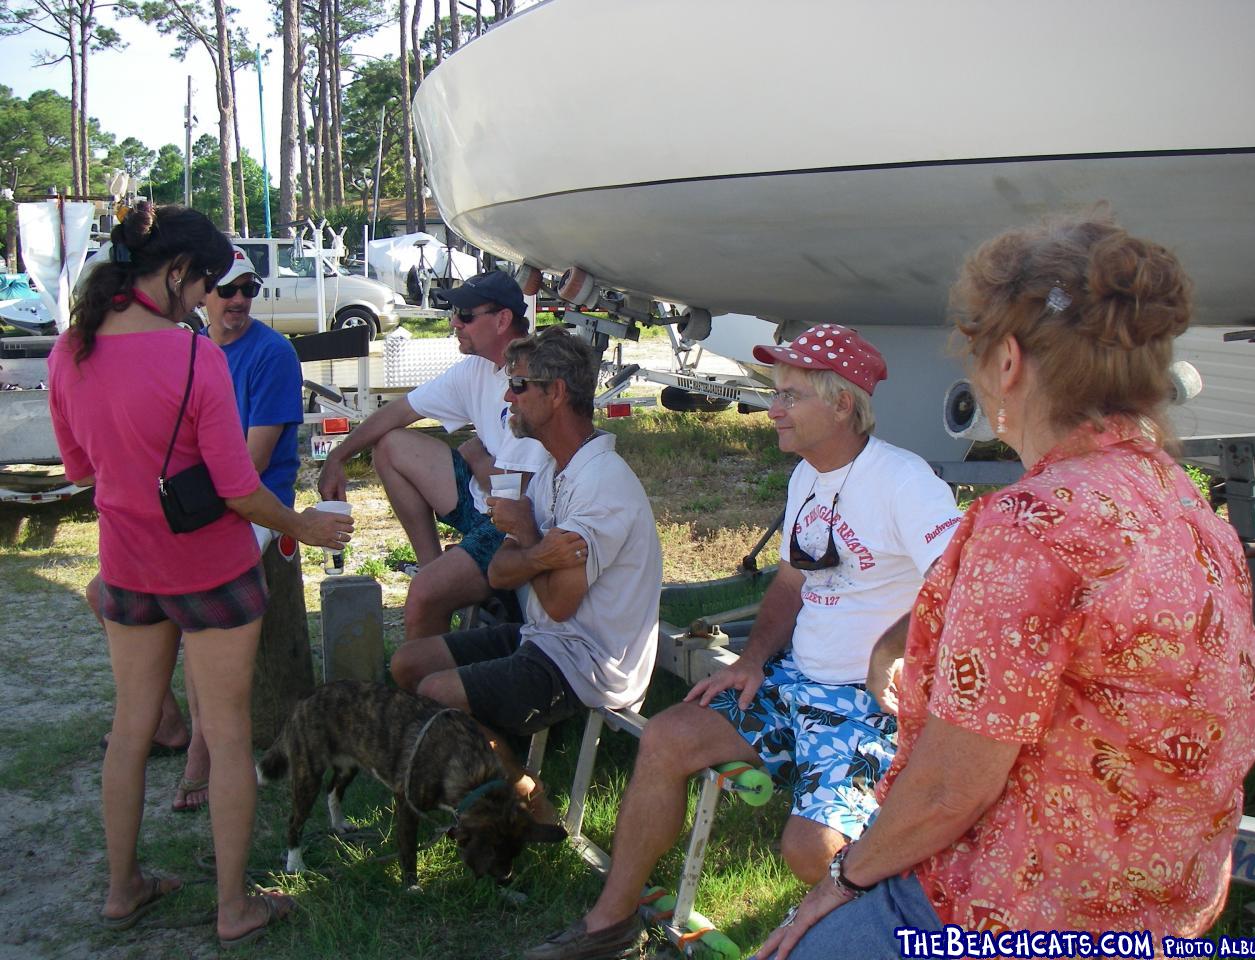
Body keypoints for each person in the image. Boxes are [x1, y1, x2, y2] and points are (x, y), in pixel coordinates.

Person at [753, 215, 1255, 960]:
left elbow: (948, 790)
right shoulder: (1188, 508)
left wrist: (845, 879)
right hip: (1167, 911)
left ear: (1008, 361)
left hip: (1019, 910)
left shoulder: (1031, 526)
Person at [525, 325, 962, 960]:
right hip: (794, 686)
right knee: (670, 734)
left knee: (810, 854)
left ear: (842, 404)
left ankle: (889, 930)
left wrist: (889, 649)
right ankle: (610, 923)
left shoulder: (903, 479)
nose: (773, 408)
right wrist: (752, 660)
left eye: (789, 396)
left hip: (866, 708)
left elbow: (960, 582)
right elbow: (790, 579)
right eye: (774, 393)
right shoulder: (807, 476)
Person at [48, 202, 352, 946]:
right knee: (226, 731)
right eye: (205, 283)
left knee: (130, 730)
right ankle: (233, 907)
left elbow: (81, 470)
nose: (208, 299)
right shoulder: (194, 358)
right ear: (176, 273)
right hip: (211, 571)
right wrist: (303, 527)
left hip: (126, 565)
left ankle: (124, 890)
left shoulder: (68, 352)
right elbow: (237, 487)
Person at [389, 325, 662, 821]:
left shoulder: (601, 485)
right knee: (409, 663)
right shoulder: (557, 468)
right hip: (549, 637)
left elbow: (559, 601)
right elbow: (499, 570)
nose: (506, 397)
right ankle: (483, 781)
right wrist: (536, 551)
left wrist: (530, 544)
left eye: (517, 386)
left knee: (433, 691)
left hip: (589, 661)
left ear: (555, 393)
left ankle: (523, 797)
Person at [90, 245, 306, 814]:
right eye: (227, 289)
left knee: (193, 610)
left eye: (249, 290)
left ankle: (198, 761)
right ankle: (163, 720)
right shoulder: (185, 351)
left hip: (249, 504)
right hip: (193, 505)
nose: (238, 301)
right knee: (104, 595)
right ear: (202, 293)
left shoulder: (271, 353)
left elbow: (252, 468)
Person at [317, 269, 550, 643]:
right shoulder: (476, 368)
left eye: (466, 315)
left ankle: (430, 680)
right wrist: (338, 457)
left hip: (515, 525)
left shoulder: (534, 375)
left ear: (503, 320)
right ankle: (433, 566)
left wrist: (476, 456)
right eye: (453, 313)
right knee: (390, 445)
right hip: (486, 502)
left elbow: (512, 488)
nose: (454, 322)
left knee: (423, 597)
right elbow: (399, 412)